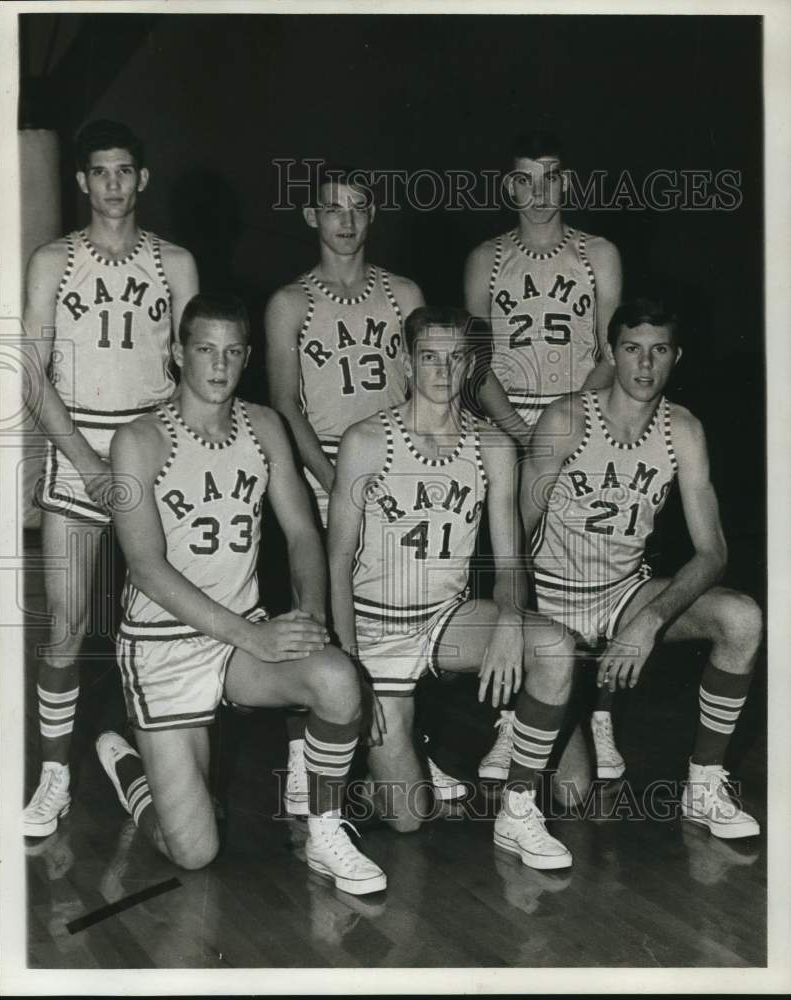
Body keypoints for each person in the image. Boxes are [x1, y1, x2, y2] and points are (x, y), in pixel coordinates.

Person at [95, 294, 386, 894]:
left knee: (334, 677)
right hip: (164, 646)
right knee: (196, 853)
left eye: (232, 351)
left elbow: (305, 534)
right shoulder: (137, 441)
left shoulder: (265, 426)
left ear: (247, 356)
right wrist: (253, 633)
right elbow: (147, 569)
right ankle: (133, 774)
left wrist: (307, 617)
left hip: (237, 644)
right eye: (205, 349)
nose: (219, 365)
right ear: (179, 354)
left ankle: (325, 832)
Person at [329, 306, 580, 869]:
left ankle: (518, 812)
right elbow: (338, 559)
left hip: (445, 620)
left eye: (455, 358)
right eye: (429, 357)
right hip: (377, 629)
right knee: (409, 818)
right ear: (406, 360)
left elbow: (511, 559)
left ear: (471, 365)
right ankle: (375, 771)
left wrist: (512, 623)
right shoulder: (366, 440)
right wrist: (349, 670)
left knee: (555, 648)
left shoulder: (492, 445)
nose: (443, 371)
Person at [510, 298, 760, 839]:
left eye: (659, 351)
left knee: (741, 619)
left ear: (676, 358)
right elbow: (511, 528)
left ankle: (704, 785)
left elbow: (713, 551)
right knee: (574, 795)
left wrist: (648, 623)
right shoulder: (569, 417)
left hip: (624, 596)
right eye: (631, 349)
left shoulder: (684, 430)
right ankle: (520, 711)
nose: (645, 366)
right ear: (610, 353)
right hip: (551, 599)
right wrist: (518, 626)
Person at [265, 165, 464, 811]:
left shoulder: (403, 292)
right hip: (323, 469)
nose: (345, 221)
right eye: (331, 208)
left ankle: (408, 738)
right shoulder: (290, 302)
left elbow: (425, 387)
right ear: (310, 217)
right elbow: (283, 405)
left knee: (405, 605)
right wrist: (333, 482)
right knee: (319, 610)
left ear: (373, 214)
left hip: (398, 467)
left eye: (357, 208)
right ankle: (303, 753)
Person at [22, 119, 199, 837]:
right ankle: (54, 776)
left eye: (125, 171)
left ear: (143, 180)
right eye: (100, 172)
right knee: (67, 627)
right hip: (78, 454)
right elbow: (30, 373)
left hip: (152, 452)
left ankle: (162, 761)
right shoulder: (53, 260)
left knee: (168, 620)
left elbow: (196, 369)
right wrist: (90, 462)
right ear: (81, 182)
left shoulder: (176, 262)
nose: (114, 184)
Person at [465, 129, 624, 779]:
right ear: (509, 186)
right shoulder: (486, 257)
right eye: (525, 178)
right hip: (510, 421)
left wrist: (567, 425)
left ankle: (599, 713)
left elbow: (615, 350)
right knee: (513, 567)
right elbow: (473, 357)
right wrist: (520, 432)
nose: (538, 191)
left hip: (584, 412)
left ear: (567, 184)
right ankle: (513, 720)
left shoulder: (599, 253)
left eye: (551, 177)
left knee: (600, 562)